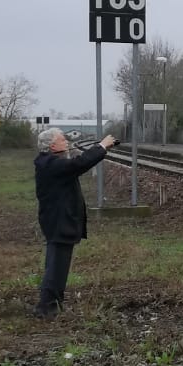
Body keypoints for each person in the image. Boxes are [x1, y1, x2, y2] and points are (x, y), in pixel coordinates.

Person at [32, 128, 118, 318]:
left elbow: (75, 164)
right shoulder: (52, 164)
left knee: (57, 265)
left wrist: (99, 149)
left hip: (57, 220)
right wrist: (101, 147)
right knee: (56, 266)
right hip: (59, 221)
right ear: (52, 146)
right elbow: (79, 164)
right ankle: (47, 308)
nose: (67, 141)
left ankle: (53, 304)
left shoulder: (49, 163)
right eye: (62, 140)